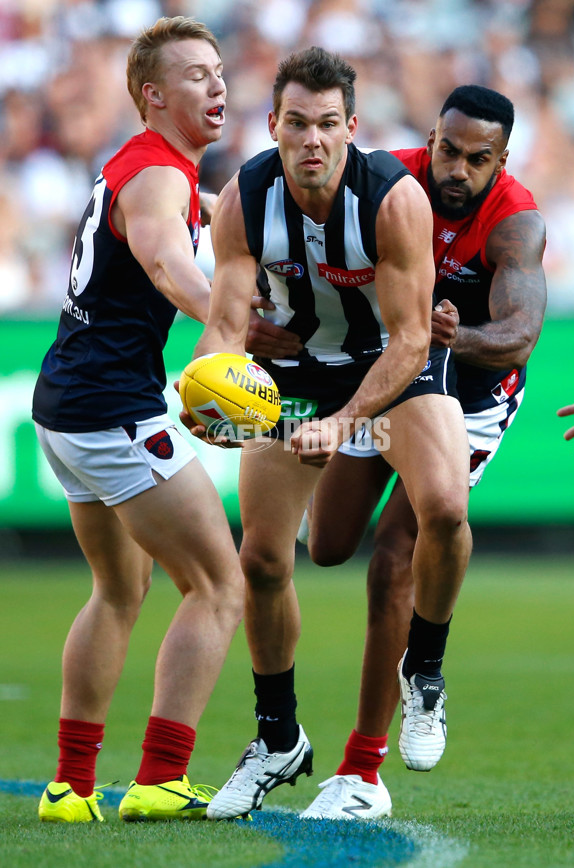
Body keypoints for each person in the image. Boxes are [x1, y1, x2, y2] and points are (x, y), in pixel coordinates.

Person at [182, 46, 473, 821]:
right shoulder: (244, 198)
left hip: (394, 366)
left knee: (444, 505)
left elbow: (414, 338)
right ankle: (277, 738)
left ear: (353, 127)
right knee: (264, 559)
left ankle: (428, 673)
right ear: (273, 123)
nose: (312, 140)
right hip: (300, 379)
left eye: (327, 125)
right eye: (297, 124)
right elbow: (222, 326)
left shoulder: (393, 198)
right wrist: (208, 393)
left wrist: (347, 425)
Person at [31, 16, 297, 825]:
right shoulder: (156, 175)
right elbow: (164, 260)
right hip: (113, 410)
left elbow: (197, 222)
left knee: (119, 588)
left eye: (219, 72)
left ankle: (69, 788)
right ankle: (159, 778)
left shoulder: (150, 167)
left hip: (67, 406)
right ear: (153, 95)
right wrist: (236, 319)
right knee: (219, 583)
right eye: (195, 75)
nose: (217, 86)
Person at [299, 84, 547, 819]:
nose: (457, 171)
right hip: (391, 372)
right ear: (429, 138)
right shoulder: (386, 180)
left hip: (470, 393)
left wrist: (452, 336)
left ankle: (411, 694)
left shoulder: (515, 220)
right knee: (329, 544)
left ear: (502, 161)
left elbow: (519, 335)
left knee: (401, 547)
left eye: (477, 159)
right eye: (447, 150)